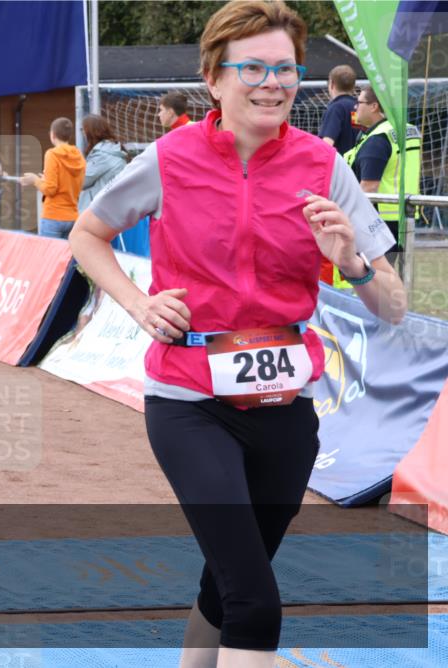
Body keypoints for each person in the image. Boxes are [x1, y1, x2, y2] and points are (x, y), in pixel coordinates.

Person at [68, 3, 405, 667]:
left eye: (286, 69)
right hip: (189, 404)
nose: (273, 83)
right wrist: (138, 305)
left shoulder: (325, 166)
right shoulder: (170, 158)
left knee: (225, 586)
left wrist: (353, 262)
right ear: (214, 78)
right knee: (256, 598)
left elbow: (392, 304)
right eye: (253, 67)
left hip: (287, 414)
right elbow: (87, 235)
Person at [345, 83, 422, 259]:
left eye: (359, 102)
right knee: (397, 276)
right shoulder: (406, 129)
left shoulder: (377, 139)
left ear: (374, 106)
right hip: (404, 214)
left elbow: (369, 188)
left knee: (378, 279)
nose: (355, 107)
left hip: (380, 220)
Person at [20, 117, 86, 239]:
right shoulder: (79, 157)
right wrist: (45, 179)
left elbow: (50, 189)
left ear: (52, 134)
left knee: (49, 257)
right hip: (73, 217)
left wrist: (35, 180)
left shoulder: (52, 154)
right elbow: (71, 183)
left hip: (53, 217)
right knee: (68, 257)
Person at [77, 114, 127, 213]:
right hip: (110, 207)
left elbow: (81, 181)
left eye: (83, 129)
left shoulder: (102, 155)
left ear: (92, 131)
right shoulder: (113, 149)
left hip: (97, 210)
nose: (82, 133)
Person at [318, 64, 358, 155]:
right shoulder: (358, 107)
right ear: (353, 85)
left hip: (340, 165)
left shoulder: (336, 108)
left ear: (332, 84)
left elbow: (327, 143)